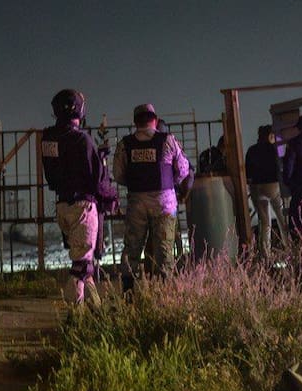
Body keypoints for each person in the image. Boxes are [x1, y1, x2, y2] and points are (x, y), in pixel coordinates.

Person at [112, 103, 191, 291]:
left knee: (132, 250)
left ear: (135, 122)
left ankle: (128, 294)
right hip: (164, 202)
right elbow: (183, 169)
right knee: (164, 253)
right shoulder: (168, 140)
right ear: (155, 120)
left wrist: (136, 183)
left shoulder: (125, 144)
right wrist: (171, 184)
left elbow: (118, 174)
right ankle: (163, 298)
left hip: (137, 202)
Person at [40, 89, 103, 307]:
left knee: (83, 259)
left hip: (62, 205)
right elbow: (96, 178)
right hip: (82, 206)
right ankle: (75, 317)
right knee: (81, 265)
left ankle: (96, 309)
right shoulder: (81, 139)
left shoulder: (47, 139)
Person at [245, 124, 286, 254]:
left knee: (264, 222)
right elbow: (281, 165)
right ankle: (289, 246)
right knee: (281, 218)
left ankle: (265, 253)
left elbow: (247, 172)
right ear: (270, 136)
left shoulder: (251, 150)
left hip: (256, 187)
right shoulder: (274, 149)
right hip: (272, 185)